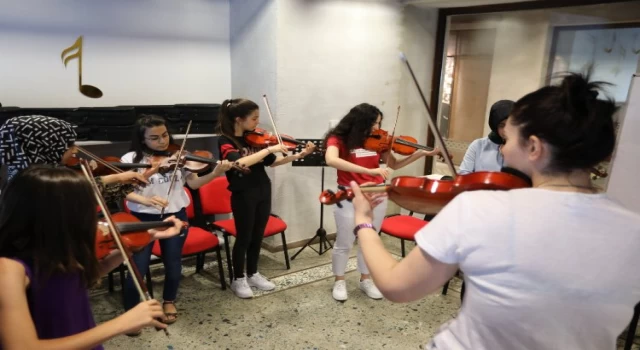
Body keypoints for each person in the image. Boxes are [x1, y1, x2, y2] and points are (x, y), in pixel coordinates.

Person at [349, 72, 640, 349]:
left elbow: (396, 286)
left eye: (509, 139)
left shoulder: (481, 209)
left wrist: (363, 223)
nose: (502, 149)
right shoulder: (633, 229)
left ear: (534, 147)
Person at [0, 165, 185, 350]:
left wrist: (146, 237)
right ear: (54, 216)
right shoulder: (8, 268)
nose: (92, 217)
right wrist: (123, 323)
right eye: (84, 209)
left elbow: (78, 279)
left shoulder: (57, 250)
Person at [120, 114, 233, 330]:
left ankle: (169, 300)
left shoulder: (179, 155)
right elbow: (124, 190)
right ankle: (132, 311)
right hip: (143, 219)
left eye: (164, 135)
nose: (162, 141)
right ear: (143, 139)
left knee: (173, 264)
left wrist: (216, 171)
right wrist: (145, 199)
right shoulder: (130, 159)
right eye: (154, 138)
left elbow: (196, 183)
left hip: (175, 217)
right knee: (138, 267)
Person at [323, 103, 443, 301]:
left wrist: (420, 153)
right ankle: (339, 280)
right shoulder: (339, 139)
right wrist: (370, 171)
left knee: (370, 240)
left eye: (379, 123)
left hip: (377, 194)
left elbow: (394, 164)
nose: (378, 128)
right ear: (361, 122)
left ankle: (365, 279)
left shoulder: (379, 142)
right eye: (374, 123)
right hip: (349, 195)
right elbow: (331, 160)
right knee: (344, 241)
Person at [216, 98, 316, 299]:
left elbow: (273, 163)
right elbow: (239, 162)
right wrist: (269, 149)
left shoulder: (254, 138)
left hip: (262, 189)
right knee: (244, 237)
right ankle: (238, 278)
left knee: (258, 235)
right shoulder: (225, 140)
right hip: (243, 193)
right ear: (238, 119)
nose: (257, 123)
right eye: (254, 119)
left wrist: (298, 155)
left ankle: (253, 273)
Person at [0, 115, 156, 205]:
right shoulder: (30, 180)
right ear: (44, 146)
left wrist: (123, 180)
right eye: (68, 145)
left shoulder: (24, 173)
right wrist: (118, 177)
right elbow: (76, 190)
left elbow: (88, 193)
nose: (75, 150)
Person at [458, 100, 514, 174]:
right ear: (495, 126)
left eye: (510, 124)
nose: (506, 130)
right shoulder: (477, 145)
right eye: (502, 125)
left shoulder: (522, 150)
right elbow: (463, 173)